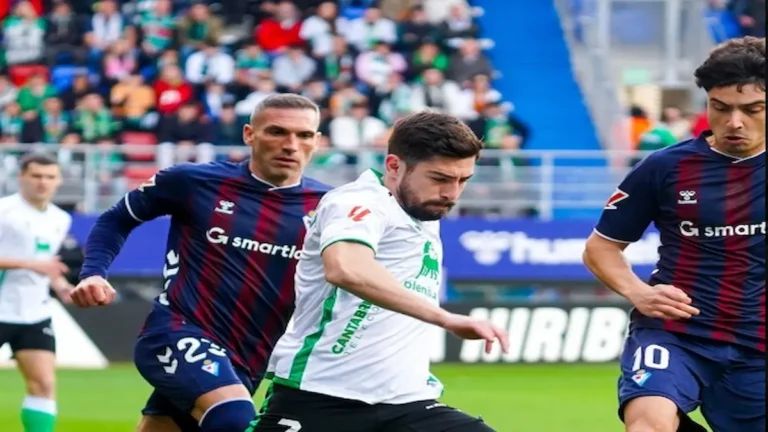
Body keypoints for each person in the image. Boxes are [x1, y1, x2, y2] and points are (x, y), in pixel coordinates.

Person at [70, 94, 332, 432]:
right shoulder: (194, 182)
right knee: (233, 418)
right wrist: (93, 273)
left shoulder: (329, 206)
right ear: (249, 134)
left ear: (318, 141)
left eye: (304, 135)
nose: (290, 145)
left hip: (252, 354)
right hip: (177, 330)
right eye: (277, 132)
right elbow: (116, 219)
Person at [250, 111, 509, 432]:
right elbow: (347, 268)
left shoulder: (422, 209)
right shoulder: (359, 202)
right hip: (321, 398)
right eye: (440, 179)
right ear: (394, 166)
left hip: (408, 403)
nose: (452, 194)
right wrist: (447, 318)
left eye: (463, 180)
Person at [583, 36, 765, 432]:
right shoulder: (665, 168)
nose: (735, 122)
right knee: (648, 422)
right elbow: (601, 247)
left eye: (753, 110)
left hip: (758, 344)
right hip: (676, 333)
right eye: (721, 108)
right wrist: (638, 292)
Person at [0, 154, 74, 432]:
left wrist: (63, 287)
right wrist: (33, 264)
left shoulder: (60, 218)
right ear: (21, 177)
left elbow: (47, 264)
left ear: (59, 181)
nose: (43, 182)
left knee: (43, 383)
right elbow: (37, 262)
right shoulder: (4, 211)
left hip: (34, 313)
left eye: (50, 177)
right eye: (36, 176)